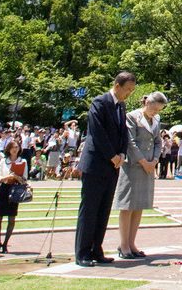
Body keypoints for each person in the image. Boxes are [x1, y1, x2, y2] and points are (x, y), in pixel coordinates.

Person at [75, 72, 136, 267]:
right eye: (127, 90)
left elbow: (123, 133)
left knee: (103, 210)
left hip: (113, 166)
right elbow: (97, 132)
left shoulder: (121, 106)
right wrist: (112, 155)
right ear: (117, 86)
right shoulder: (99, 102)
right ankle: (83, 252)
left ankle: (96, 249)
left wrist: (122, 154)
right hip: (95, 164)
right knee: (90, 209)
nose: (129, 94)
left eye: (132, 90)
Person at [114, 91, 166, 259]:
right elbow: (130, 142)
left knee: (139, 205)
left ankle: (132, 243)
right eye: (154, 109)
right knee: (127, 206)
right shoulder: (132, 116)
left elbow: (158, 141)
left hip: (149, 166)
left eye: (159, 110)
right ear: (147, 103)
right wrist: (144, 162)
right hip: (133, 166)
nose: (155, 112)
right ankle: (123, 244)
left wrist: (155, 160)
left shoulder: (156, 119)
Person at [0, 139, 28, 253]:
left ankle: (5, 244)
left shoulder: (22, 161)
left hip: (15, 189)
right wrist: (7, 177)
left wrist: (17, 177)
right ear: (8, 149)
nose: (15, 149)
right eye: (13, 147)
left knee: (11, 218)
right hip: (4, 188)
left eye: (17, 147)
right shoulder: (3, 161)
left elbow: (25, 178)